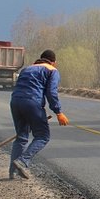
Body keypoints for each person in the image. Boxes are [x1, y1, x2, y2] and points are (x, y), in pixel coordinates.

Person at [9, 50, 69, 179]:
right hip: (32, 103)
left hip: (15, 102)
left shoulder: (27, 69)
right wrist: (58, 112)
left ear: (40, 59)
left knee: (21, 137)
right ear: (54, 62)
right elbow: (51, 92)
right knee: (42, 136)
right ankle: (22, 161)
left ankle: (12, 172)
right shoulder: (52, 70)